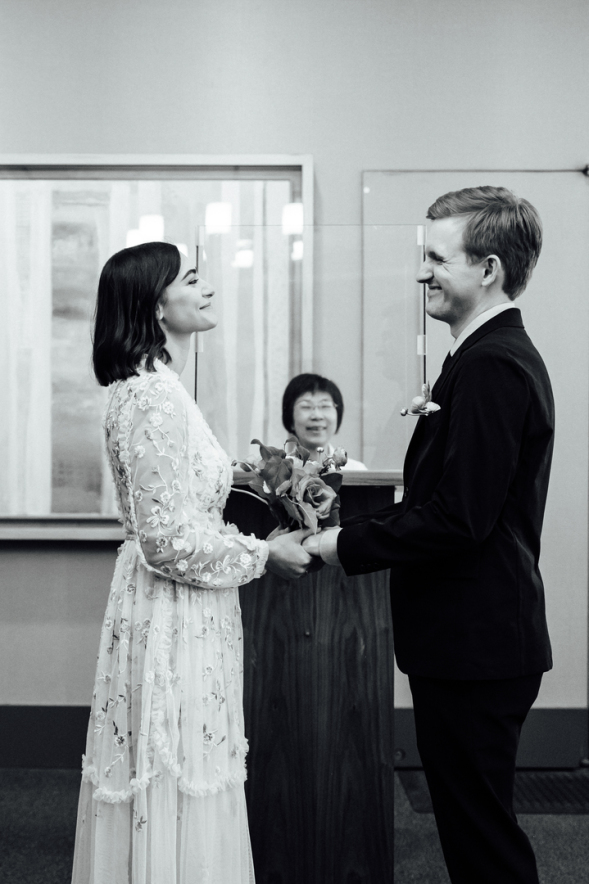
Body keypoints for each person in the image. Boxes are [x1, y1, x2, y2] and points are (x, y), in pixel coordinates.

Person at [304, 186, 553, 884]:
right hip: (467, 642)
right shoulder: (479, 356)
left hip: (477, 645)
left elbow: (458, 517)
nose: (422, 274)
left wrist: (335, 544)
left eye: (438, 259)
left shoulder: (492, 363)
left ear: (489, 269)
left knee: (483, 844)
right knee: (473, 833)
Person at [71, 242, 311, 884]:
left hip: (179, 606)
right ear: (156, 305)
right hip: (171, 610)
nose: (207, 290)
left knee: (181, 775)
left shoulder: (152, 387)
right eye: (193, 279)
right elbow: (166, 540)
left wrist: (247, 476)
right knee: (176, 775)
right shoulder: (154, 394)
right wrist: (264, 553)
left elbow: (174, 502)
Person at [282, 372, 367, 469]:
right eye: (306, 407)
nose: (317, 416)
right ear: (290, 418)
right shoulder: (278, 472)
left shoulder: (356, 470)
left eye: (325, 406)